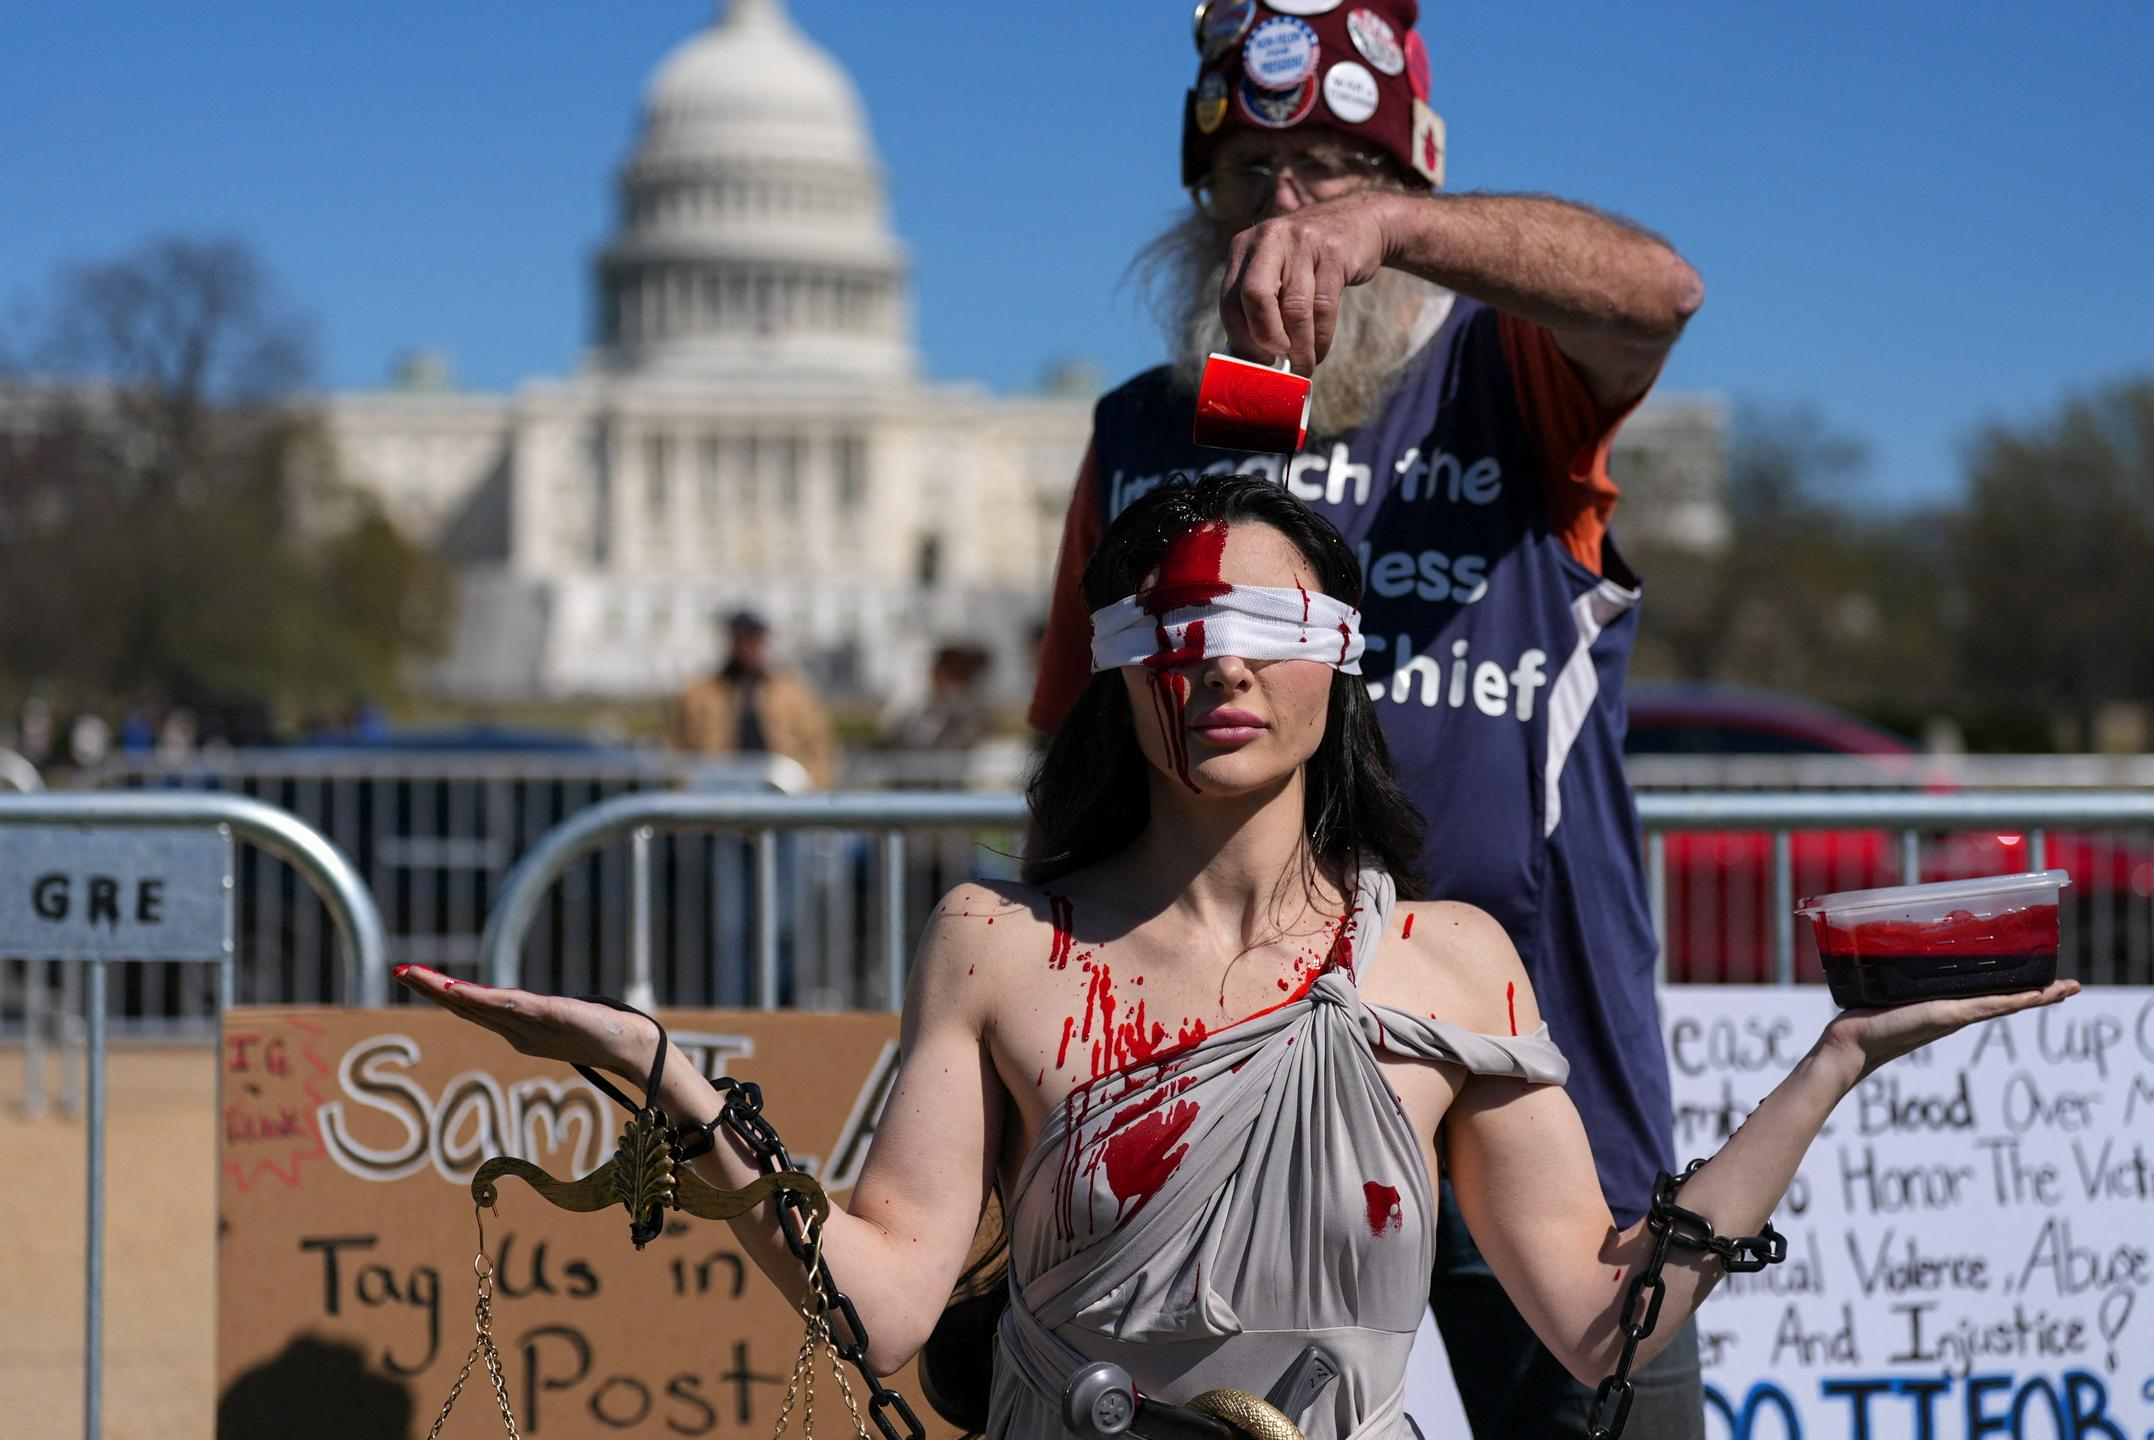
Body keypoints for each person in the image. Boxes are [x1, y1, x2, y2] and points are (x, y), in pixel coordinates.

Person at [402, 477, 2075, 1440]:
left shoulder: (1445, 964)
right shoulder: (999, 942)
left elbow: (1592, 1325)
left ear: (1334, 668)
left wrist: (1828, 1069)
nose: (1212, 672)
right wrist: (661, 1075)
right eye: (1166, 637)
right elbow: (890, 1299)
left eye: (1260, 634)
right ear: (1122, 675)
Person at [1028, 4, 1707, 1429]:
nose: (1286, 213)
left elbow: (1656, 292)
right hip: (1225, 1103)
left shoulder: (1506, 375)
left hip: (1538, 1066)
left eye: (1333, 165)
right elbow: (1072, 756)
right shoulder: (1143, 434)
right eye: (1246, 178)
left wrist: (1388, 234)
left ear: (1416, 181)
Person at [671, 608, 838, 790]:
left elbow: (819, 747)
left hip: (781, 793)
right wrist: (688, 789)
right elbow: (677, 751)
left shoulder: (792, 693)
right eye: (743, 639)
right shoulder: (701, 693)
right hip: (718, 792)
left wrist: (808, 787)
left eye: (755, 639)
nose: (749, 646)